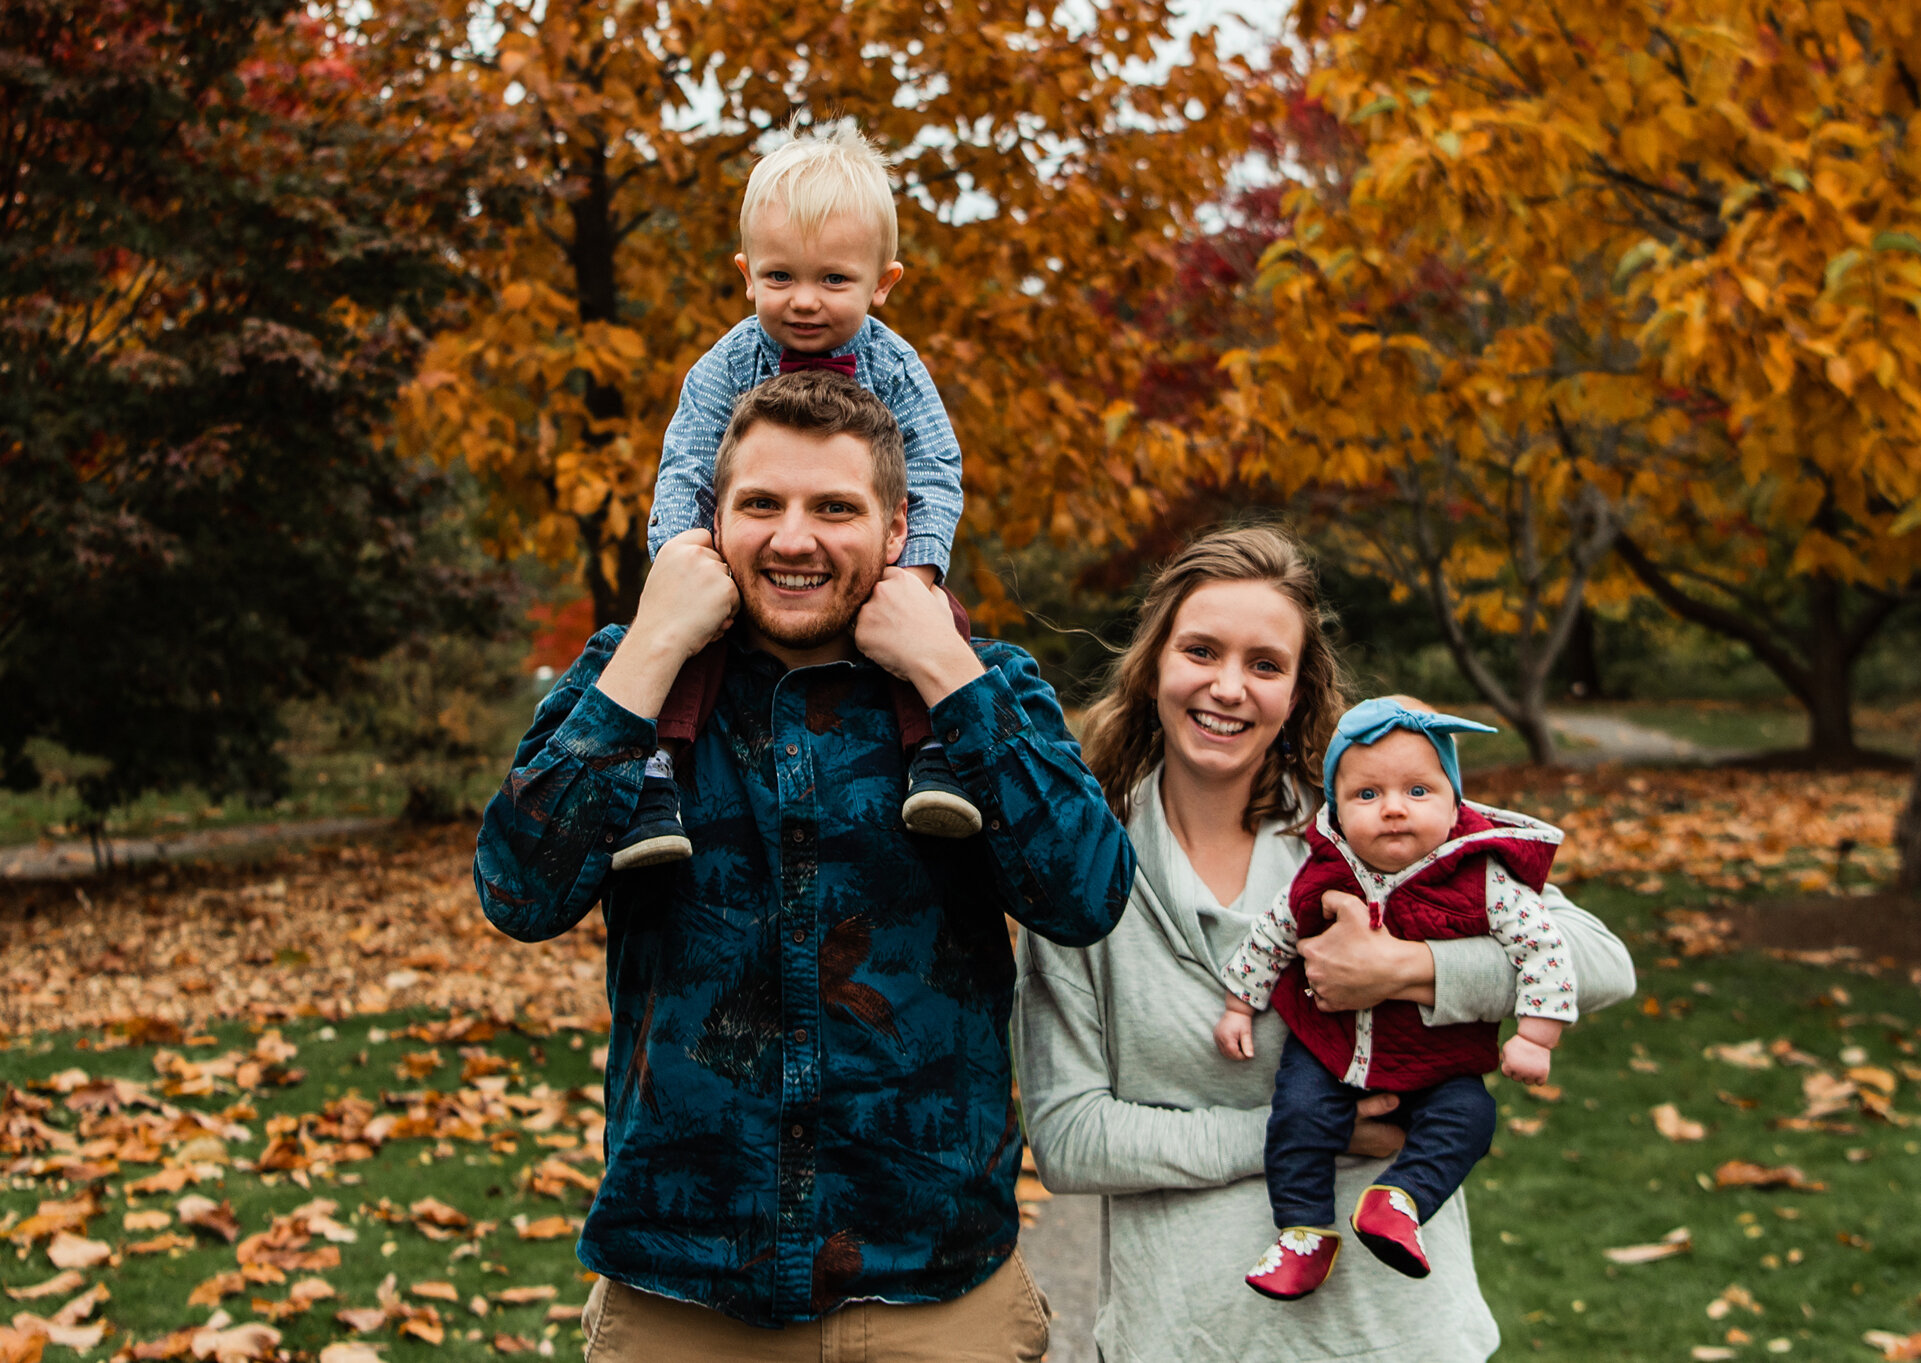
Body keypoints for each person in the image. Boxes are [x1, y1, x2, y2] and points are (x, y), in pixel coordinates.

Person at [475, 372, 1134, 1359]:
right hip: (682, 1287)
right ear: (712, 519)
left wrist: (947, 674)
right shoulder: (632, 675)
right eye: (760, 505)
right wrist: (653, 643)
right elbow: (519, 892)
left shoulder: (979, 689)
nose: (793, 539)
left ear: (897, 525)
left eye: (834, 507)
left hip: (933, 1287)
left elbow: (1084, 893)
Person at [1013, 526, 1635, 1363]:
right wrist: (1299, 1130)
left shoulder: (1373, 827)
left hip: (1394, 1335)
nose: (1228, 687)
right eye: (1201, 650)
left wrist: (1409, 969)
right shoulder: (1082, 866)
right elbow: (1070, 1137)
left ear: (1299, 691)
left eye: (1265, 664)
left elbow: (1602, 960)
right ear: (1156, 661)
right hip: (1183, 1335)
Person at [618, 124, 978, 871]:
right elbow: (685, 464)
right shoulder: (726, 365)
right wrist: (689, 560)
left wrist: (916, 570)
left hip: (876, 567)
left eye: (834, 280)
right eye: (780, 278)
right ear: (747, 273)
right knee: (688, 641)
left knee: (938, 622)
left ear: (883, 282)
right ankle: (656, 772)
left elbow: (937, 466)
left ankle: (935, 751)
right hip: (736, 570)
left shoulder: (896, 367)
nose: (804, 302)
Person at [1214, 697, 1577, 1300]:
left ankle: (1399, 1201)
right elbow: (1272, 935)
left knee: (1471, 1117)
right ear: (1335, 806)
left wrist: (1537, 1034)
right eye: (1367, 795)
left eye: (1418, 791)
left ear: (1453, 799)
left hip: (1438, 1056)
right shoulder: (1325, 870)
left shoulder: (1484, 876)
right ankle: (1303, 1233)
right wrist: (1238, 1004)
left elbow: (1543, 949)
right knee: (1299, 1115)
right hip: (1331, 1044)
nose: (1393, 810)